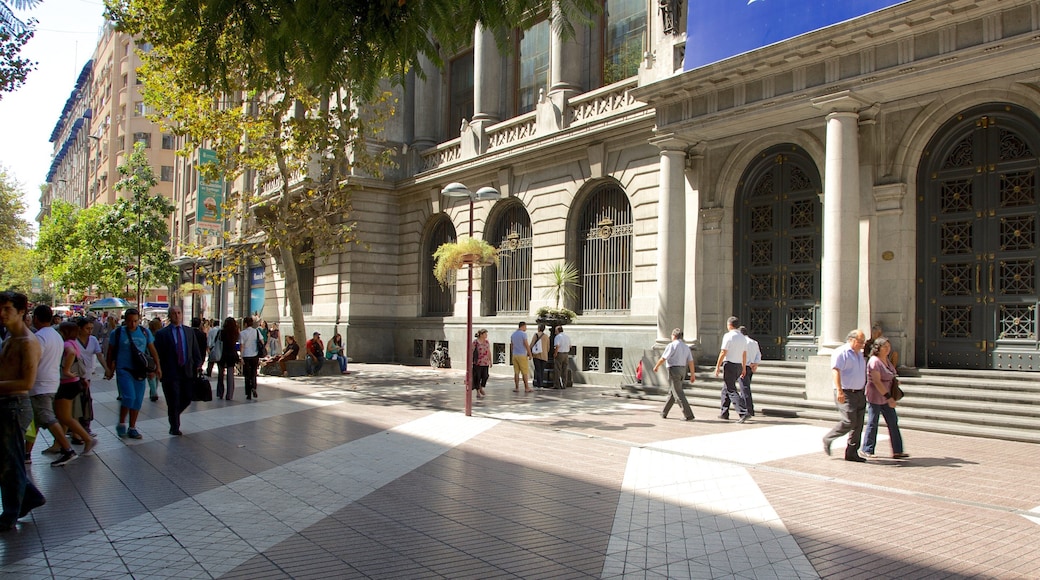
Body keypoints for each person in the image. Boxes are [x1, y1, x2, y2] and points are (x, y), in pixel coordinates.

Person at [0, 292, 47, 530]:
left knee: (11, 462)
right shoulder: (10, 339)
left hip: (15, 406)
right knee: (8, 460)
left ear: (21, 311)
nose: (2, 314)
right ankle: (28, 496)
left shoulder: (28, 342)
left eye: (7, 309)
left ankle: (10, 514)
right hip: (5, 404)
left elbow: (26, 383)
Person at [29, 305, 80, 465]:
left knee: (47, 417)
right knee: (37, 420)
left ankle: (67, 449)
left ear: (36, 318)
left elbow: (35, 359)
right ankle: (26, 452)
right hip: (52, 381)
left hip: (41, 383)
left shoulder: (40, 337)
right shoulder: (56, 335)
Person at [105, 308, 161, 439]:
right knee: (129, 397)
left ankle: (132, 427)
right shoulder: (117, 333)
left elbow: (153, 350)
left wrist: (157, 367)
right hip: (124, 369)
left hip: (140, 370)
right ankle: (121, 422)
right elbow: (110, 352)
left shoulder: (144, 332)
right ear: (125, 320)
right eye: (130, 321)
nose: (133, 324)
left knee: (137, 400)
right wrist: (109, 369)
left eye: (135, 321)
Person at [153, 307, 203, 435]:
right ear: (169, 316)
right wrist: (157, 369)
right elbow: (157, 353)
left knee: (187, 397)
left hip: (187, 370)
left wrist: (198, 363)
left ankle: (174, 414)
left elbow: (194, 348)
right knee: (173, 399)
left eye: (179, 313)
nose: (177, 315)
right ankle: (174, 426)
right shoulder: (162, 334)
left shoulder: (189, 331)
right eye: (174, 313)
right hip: (170, 371)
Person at [823, 329, 868, 462]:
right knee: (849, 421)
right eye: (860, 342)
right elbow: (836, 371)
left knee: (858, 424)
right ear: (851, 340)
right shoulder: (841, 352)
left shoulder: (859, 354)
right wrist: (839, 390)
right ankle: (828, 438)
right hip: (846, 392)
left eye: (863, 342)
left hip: (859, 392)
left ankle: (852, 453)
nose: (862, 345)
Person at [861, 337, 909, 459]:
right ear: (878, 348)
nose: (888, 349)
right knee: (873, 422)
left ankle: (897, 451)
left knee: (893, 422)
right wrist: (889, 398)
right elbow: (877, 382)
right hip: (876, 396)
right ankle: (867, 449)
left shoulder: (886, 360)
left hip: (887, 395)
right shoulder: (874, 361)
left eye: (889, 346)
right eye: (885, 347)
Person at [55, 322, 97, 455]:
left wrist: (66, 370)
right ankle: (63, 443)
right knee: (65, 416)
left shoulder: (67, 344)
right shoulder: (73, 342)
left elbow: (71, 353)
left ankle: (85, 438)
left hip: (67, 383)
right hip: (74, 382)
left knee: (65, 416)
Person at [653, 328, 697, 421]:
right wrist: (692, 374)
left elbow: (663, 358)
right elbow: (690, 361)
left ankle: (688, 414)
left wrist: (656, 366)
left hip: (674, 369)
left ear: (674, 336)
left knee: (678, 392)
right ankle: (664, 412)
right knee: (673, 391)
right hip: (683, 370)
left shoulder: (672, 345)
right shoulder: (686, 346)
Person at [73, 316, 105, 439]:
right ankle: (76, 429)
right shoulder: (74, 341)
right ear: (80, 328)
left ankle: (85, 426)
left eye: (91, 328)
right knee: (77, 402)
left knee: (86, 400)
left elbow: (99, 355)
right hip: (75, 376)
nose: (90, 331)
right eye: (87, 328)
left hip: (87, 375)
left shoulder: (93, 340)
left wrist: (106, 369)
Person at [714, 316, 749, 423]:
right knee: (726, 388)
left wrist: (717, 366)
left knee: (731, 390)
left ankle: (743, 412)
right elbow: (744, 353)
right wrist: (743, 367)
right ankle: (724, 412)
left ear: (729, 325)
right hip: (738, 365)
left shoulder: (728, 336)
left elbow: (723, 352)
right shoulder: (742, 337)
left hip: (729, 364)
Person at [721, 326, 760, 419]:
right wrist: (755, 364)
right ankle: (725, 411)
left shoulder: (741, 341)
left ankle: (745, 411)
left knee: (741, 389)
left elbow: (742, 354)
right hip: (749, 366)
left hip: (741, 366)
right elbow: (758, 354)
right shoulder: (754, 342)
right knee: (741, 388)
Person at [215, 317, 240, 400]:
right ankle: (229, 395)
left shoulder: (221, 332)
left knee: (220, 374)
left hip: (222, 354)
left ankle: (220, 393)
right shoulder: (235, 332)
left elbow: (216, 341)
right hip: (231, 355)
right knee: (230, 375)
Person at [239, 316, 263, 400]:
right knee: (254, 373)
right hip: (255, 355)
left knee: (246, 375)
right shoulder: (256, 331)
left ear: (245, 324)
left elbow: (241, 346)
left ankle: (248, 393)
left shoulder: (242, 333)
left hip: (246, 355)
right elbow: (262, 341)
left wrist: (241, 357)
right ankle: (254, 387)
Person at [509, 321, 533, 393]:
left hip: (515, 355)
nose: (526, 328)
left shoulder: (513, 334)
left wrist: (513, 353)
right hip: (522, 355)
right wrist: (530, 354)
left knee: (516, 372)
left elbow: (512, 345)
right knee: (524, 372)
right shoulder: (523, 334)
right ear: (522, 326)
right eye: (525, 327)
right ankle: (526, 387)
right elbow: (526, 344)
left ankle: (516, 387)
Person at [146, 316, 163, 402]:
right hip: (159, 358)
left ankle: (153, 392)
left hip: (150, 358)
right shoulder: (161, 334)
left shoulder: (148, 334)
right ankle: (153, 392)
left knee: (151, 375)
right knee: (156, 375)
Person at [471, 329, 491, 398]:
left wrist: (490, 361)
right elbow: (471, 351)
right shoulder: (475, 342)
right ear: (481, 335)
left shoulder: (487, 342)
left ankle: (481, 386)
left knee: (485, 376)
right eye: (485, 334)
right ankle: (478, 391)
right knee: (477, 377)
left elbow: (489, 351)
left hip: (485, 362)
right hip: (477, 362)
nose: (486, 335)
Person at [530, 323, 550, 388]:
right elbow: (548, 347)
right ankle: (541, 383)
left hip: (537, 355)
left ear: (538, 328)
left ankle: (539, 384)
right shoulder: (546, 336)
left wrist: (529, 352)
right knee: (542, 370)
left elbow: (532, 344)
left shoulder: (536, 335)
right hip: (544, 356)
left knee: (538, 369)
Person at [552, 326, 571, 390]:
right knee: (565, 370)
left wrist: (555, 353)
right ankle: (564, 384)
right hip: (566, 354)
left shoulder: (558, 337)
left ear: (558, 331)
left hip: (560, 354)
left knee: (557, 369)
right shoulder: (567, 337)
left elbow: (557, 346)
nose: (555, 332)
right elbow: (570, 346)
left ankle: (557, 384)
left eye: (555, 330)